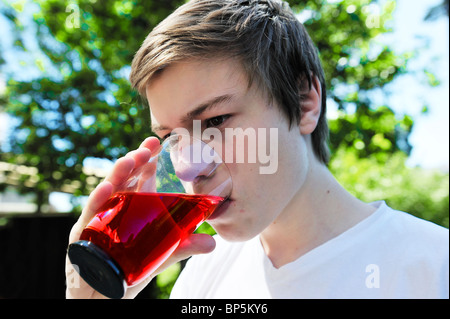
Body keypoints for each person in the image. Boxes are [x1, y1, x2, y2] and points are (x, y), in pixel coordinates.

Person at [66, 0, 449, 299]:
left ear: (304, 102)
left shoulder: (434, 268)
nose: (185, 168)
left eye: (215, 121)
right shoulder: (202, 277)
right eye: (172, 138)